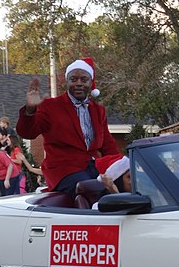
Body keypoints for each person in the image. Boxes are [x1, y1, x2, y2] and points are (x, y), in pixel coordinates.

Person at [17, 58, 118, 194]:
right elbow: (28, 133)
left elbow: (107, 144)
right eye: (73, 79)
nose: (78, 83)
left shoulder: (98, 110)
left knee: (124, 185)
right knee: (92, 189)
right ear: (67, 82)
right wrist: (30, 110)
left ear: (90, 83)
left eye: (84, 79)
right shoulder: (51, 106)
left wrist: (123, 165)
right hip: (63, 170)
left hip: (94, 168)